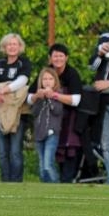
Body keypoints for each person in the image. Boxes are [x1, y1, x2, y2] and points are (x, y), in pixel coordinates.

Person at [28, 43, 83, 183]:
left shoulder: (72, 73)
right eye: (55, 56)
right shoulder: (45, 72)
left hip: (67, 119)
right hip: (41, 128)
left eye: (61, 56)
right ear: (50, 58)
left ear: (66, 58)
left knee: (62, 154)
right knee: (43, 164)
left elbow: (76, 100)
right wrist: (37, 96)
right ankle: (48, 187)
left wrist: (53, 95)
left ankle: (61, 183)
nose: (58, 59)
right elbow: (30, 99)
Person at [0, 33, 32, 182]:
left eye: (15, 44)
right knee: (2, 152)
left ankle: (16, 181)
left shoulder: (24, 63)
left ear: (20, 47)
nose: (12, 47)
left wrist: (4, 90)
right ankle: (5, 181)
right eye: (9, 44)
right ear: (4, 47)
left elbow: (23, 80)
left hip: (18, 112)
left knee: (15, 151)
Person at [29, 67, 63, 183]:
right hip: (39, 133)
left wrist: (50, 97)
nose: (47, 81)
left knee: (48, 164)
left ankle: (56, 186)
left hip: (52, 133)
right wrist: (38, 98)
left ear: (55, 81)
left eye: (50, 79)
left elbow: (57, 111)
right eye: (45, 79)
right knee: (42, 167)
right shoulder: (38, 95)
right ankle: (45, 188)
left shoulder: (59, 94)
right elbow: (34, 112)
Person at [88, 31, 109, 184]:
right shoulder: (105, 39)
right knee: (105, 143)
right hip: (103, 102)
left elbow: (106, 82)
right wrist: (99, 53)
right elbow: (91, 67)